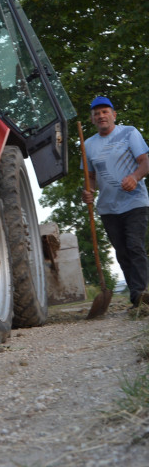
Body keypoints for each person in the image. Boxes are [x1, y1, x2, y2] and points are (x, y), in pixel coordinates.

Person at [82, 96, 149, 308]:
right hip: (108, 207)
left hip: (135, 201)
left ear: (114, 115)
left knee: (135, 245)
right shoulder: (88, 145)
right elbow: (90, 177)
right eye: (96, 113)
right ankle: (137, 296)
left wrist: (135, 177)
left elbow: (145, 161)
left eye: (105, 112)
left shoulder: (130, 132)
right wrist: (89, 192)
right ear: (92, 119)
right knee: (122, 251)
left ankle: (141, 293)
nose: (101, 116)